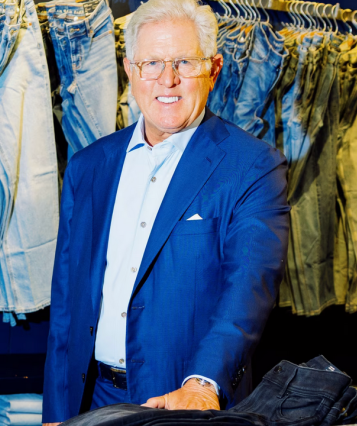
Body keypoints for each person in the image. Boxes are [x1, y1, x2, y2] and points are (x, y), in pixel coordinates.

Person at [42, 0, 290, 424]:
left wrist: (203, 383)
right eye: (151, 63)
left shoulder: (253, 166)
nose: (167, 79)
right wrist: (57, 409)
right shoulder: (88, 166)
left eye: (184, 62)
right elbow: (67, 303)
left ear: (213, 69)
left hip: (183, 401)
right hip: (91, 397)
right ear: (130, 70)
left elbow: (249, 286)